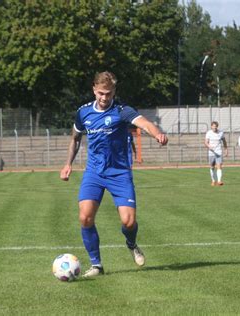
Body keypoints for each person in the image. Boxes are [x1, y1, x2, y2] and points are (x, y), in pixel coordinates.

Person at [60, 71, 168, 278]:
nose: (104, 98)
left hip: (119, 173)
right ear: (94, 89)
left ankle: (131, 243)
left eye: (108, 94)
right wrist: (67, 164)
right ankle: (97, 266)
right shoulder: (83, 113)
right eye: (100, 93)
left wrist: (158, 134)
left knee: (128, 222)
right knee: (85, 217)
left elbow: (144, 123)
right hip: (94, 172)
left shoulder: (122, 111)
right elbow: (75, 139)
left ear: (114, 92)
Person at [204, 121, 228, 186]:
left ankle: (219, 181)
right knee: (212, 167)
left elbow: (224, 142)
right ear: (211, 126)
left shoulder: (221, 133)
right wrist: (209, 146)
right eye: (213, 126)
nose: (215, 127)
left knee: (219, 166)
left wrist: (226, 149)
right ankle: (213, 181)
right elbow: (206, 142)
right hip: (211, 152)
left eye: (216, 126)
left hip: (218, 152)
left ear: (217, 126)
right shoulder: (209, 133)